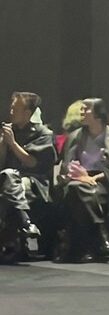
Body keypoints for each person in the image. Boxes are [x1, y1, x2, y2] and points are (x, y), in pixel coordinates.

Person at [56, 98, 109, 262]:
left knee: (78, 191)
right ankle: (100, 230)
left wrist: (92, 178)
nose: (82, 112)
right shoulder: (75, 137)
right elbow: (67, 164)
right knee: (76, 188)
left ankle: (85, 246)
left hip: (103, 180)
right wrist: (79, 175)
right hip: (78, 178)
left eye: (86, 109)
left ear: (98, 114)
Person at [0, 92, 56, 258]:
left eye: (15, 109)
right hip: (8, 179)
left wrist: (13, 144)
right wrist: (3, 143)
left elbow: (32, 163)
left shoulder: (43, 133)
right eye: (11, 108)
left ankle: (11, 240)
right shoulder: (9, 130)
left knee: (10, 177)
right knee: (8, 178)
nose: (11, 112)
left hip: (34, 180)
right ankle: (26, 224)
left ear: (27, 113)